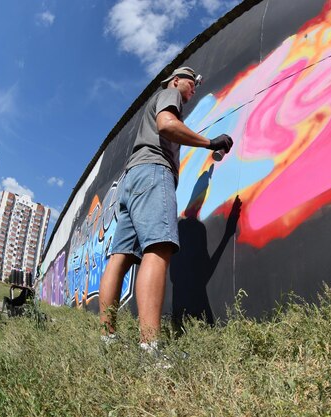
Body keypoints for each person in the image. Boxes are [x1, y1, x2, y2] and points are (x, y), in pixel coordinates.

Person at [98, 67, 233, 351]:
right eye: (191, 81)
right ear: (175, 80)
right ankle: (150, 347)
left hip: (132, 179)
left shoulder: (160, 98)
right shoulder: (169, 94)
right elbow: (167, 125)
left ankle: (107, 338)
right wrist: (210, 143)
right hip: (153, 172)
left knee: (119, 258)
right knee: (158, 249)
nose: (194, 87)